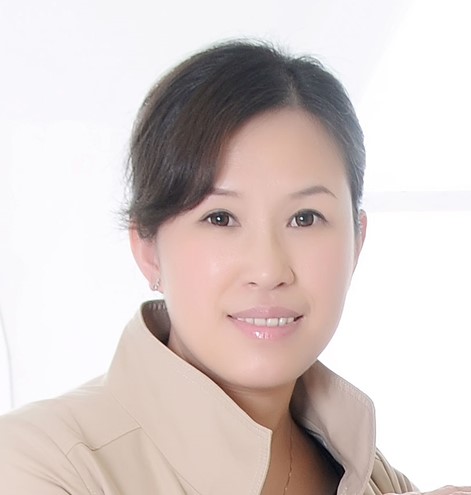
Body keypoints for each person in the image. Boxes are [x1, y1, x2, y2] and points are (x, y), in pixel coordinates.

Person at [0, 40, 468, 495]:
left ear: (357, 242)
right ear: (148, 248)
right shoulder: (39, 462)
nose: (268, 270)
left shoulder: (369, 475)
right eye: (220, 218)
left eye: (305, 218)